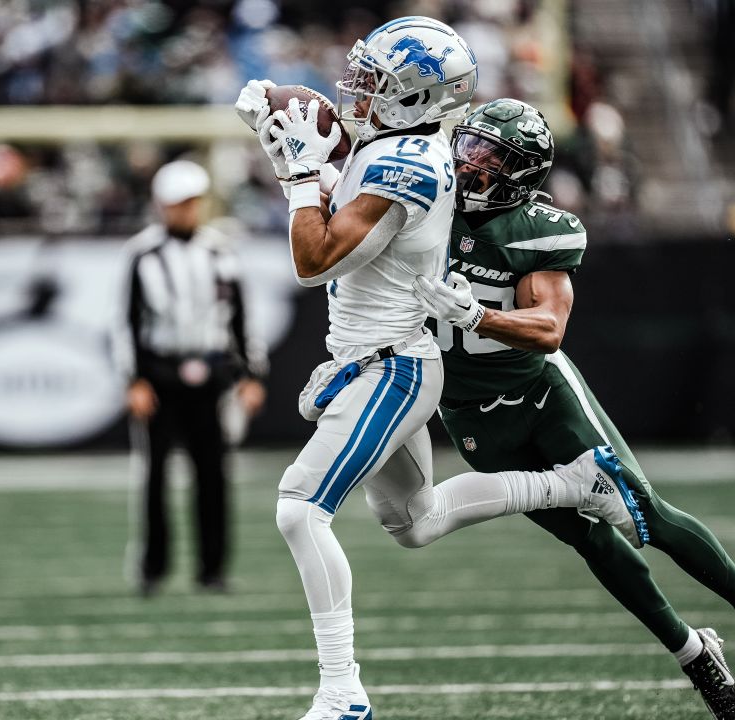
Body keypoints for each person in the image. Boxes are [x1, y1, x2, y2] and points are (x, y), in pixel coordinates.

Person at [234, 17, 645, 720]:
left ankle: (342, 693)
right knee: (415, 522)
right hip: (376, 360)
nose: (358, 88)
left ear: (418, 99)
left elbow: (314, 259)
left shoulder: (413, 163)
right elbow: (338, 168)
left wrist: (299, 171)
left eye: (377, 82)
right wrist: (288, 123)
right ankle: (573, 483)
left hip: (391, 369)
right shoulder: (395, 145)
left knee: (300, 510)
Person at [410, 98, 735, 720]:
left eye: (490, 157)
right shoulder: (428, 202)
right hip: (466, 409)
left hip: (541, 394)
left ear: (522, 173)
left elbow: (547, 328)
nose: (470, 165)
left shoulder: (539, 228)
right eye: (469, 147)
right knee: (590, 540)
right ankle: (695, 655)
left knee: (641, 512)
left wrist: (476, 315)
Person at [118, 159, 268, 596]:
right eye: (179, 203)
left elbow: (241, 318)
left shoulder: (221, 251)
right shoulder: (142, 254)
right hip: (160, 374)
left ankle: (212, 568)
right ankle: (153, 568)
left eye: (192, 202)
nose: (186, 211)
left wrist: (251, 375)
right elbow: (123, 322)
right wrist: (134, 380)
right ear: (162, 205)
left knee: (214, 474)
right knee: (154, 475)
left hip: (212, 372)